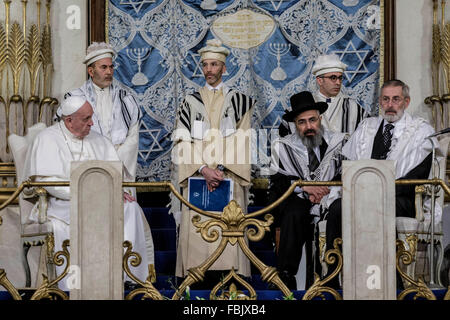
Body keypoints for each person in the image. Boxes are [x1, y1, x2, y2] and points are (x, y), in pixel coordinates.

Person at [23, 96, 154, 291]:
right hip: (64, 203)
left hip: (101, 199)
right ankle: (70, 285)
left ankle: (130, 275)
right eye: (86, 119)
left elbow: (113, 172)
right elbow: (46, 182)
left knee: (130, 208)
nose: (92, 123)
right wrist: (87, 193)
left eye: (91, 117)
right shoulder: (47, 138)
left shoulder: (98, 139)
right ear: (69, 120)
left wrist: (118, 189)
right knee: (65, 225)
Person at [325, 79, 443, 288]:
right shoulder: (367, 128)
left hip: (400, 198)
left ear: (406, 102)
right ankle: (333, 280)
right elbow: (346, 163)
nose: (390, 104)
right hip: (361, 195)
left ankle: (390, 281)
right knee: (336, 208)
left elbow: (419, 175)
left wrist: (378, 191)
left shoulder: (421, 131)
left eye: (396, 99)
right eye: (386, 99)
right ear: (380, 102)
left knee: (377, 205)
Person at [171, 39, 255, 285]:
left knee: (227, 233)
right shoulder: (189, 102)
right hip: (199, 176)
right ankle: (196, 278)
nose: (209, 69)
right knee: (198, 230)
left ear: (224, 68)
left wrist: (220, 170)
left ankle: (230, 278)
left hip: (228, 177)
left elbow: (244, 139)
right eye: (205, 64)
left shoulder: (240, 102)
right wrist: (203, 169)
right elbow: (182, 140)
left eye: (214, 64)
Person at [269, 91, 348, 290]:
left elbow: (347, 173)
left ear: (320, 119)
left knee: (341, 207)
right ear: (295, 125)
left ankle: (332, 276)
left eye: (312, 120)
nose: (309, 127)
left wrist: (327, 191)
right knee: (294, 211)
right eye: (302, 122)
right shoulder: (283, 146)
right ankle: (286, 276)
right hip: (299, 200)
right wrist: (304, 187)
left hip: (333, 199)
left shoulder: (340, 143)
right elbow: (278, 181)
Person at [62, 42, 140, 180]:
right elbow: (66, 134)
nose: (109, 72)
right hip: (87, 165)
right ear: (91, 71)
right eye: (103, 67)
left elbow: (133, 137)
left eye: (111, 67)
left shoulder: (127, 99)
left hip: (121, 165)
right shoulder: (74, 98)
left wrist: (115, 160)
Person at [279, 53, 369, 137]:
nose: (338, 82)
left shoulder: (355, 108)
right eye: (333, 78)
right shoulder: (301, 107)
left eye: (340, 78)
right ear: (320, 80)